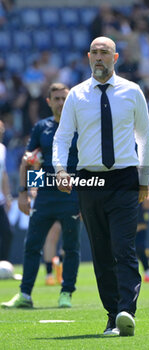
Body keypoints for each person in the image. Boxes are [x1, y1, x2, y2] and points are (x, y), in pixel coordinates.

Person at [52, 36, 149, 336]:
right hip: (88, 180)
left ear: (116, 57)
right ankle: (112, 314)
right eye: (94, 52)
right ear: (88, 57)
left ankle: (125, 311)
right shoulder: (77, 95)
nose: (98, 57)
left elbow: (144, 139)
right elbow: (62, 136)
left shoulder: (133, 92)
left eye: (104, 52)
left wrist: (144, 179)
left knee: (124, 248)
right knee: (101, 251)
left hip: (124, 178)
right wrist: (59, 169)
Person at [1, 83, 81, 309]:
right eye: (56, 98)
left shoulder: (80, 127)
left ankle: (66, 292)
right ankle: (25, 294)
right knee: (32, 244)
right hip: (45, 195)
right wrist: (25, 193)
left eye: (64, 98)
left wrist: (86, 198)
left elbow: (87, 166)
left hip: (72, 195)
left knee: (71, 246)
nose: (60, 102)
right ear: (49, 102)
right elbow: (30, 161)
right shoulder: (41, 128)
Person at [0, 120, 13, 261]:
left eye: (2, 130)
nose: (1, 132)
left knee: (8, 233)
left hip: (0, 201)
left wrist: (7, 195)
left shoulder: (2, 148)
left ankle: (2, 265)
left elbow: (3, 174)